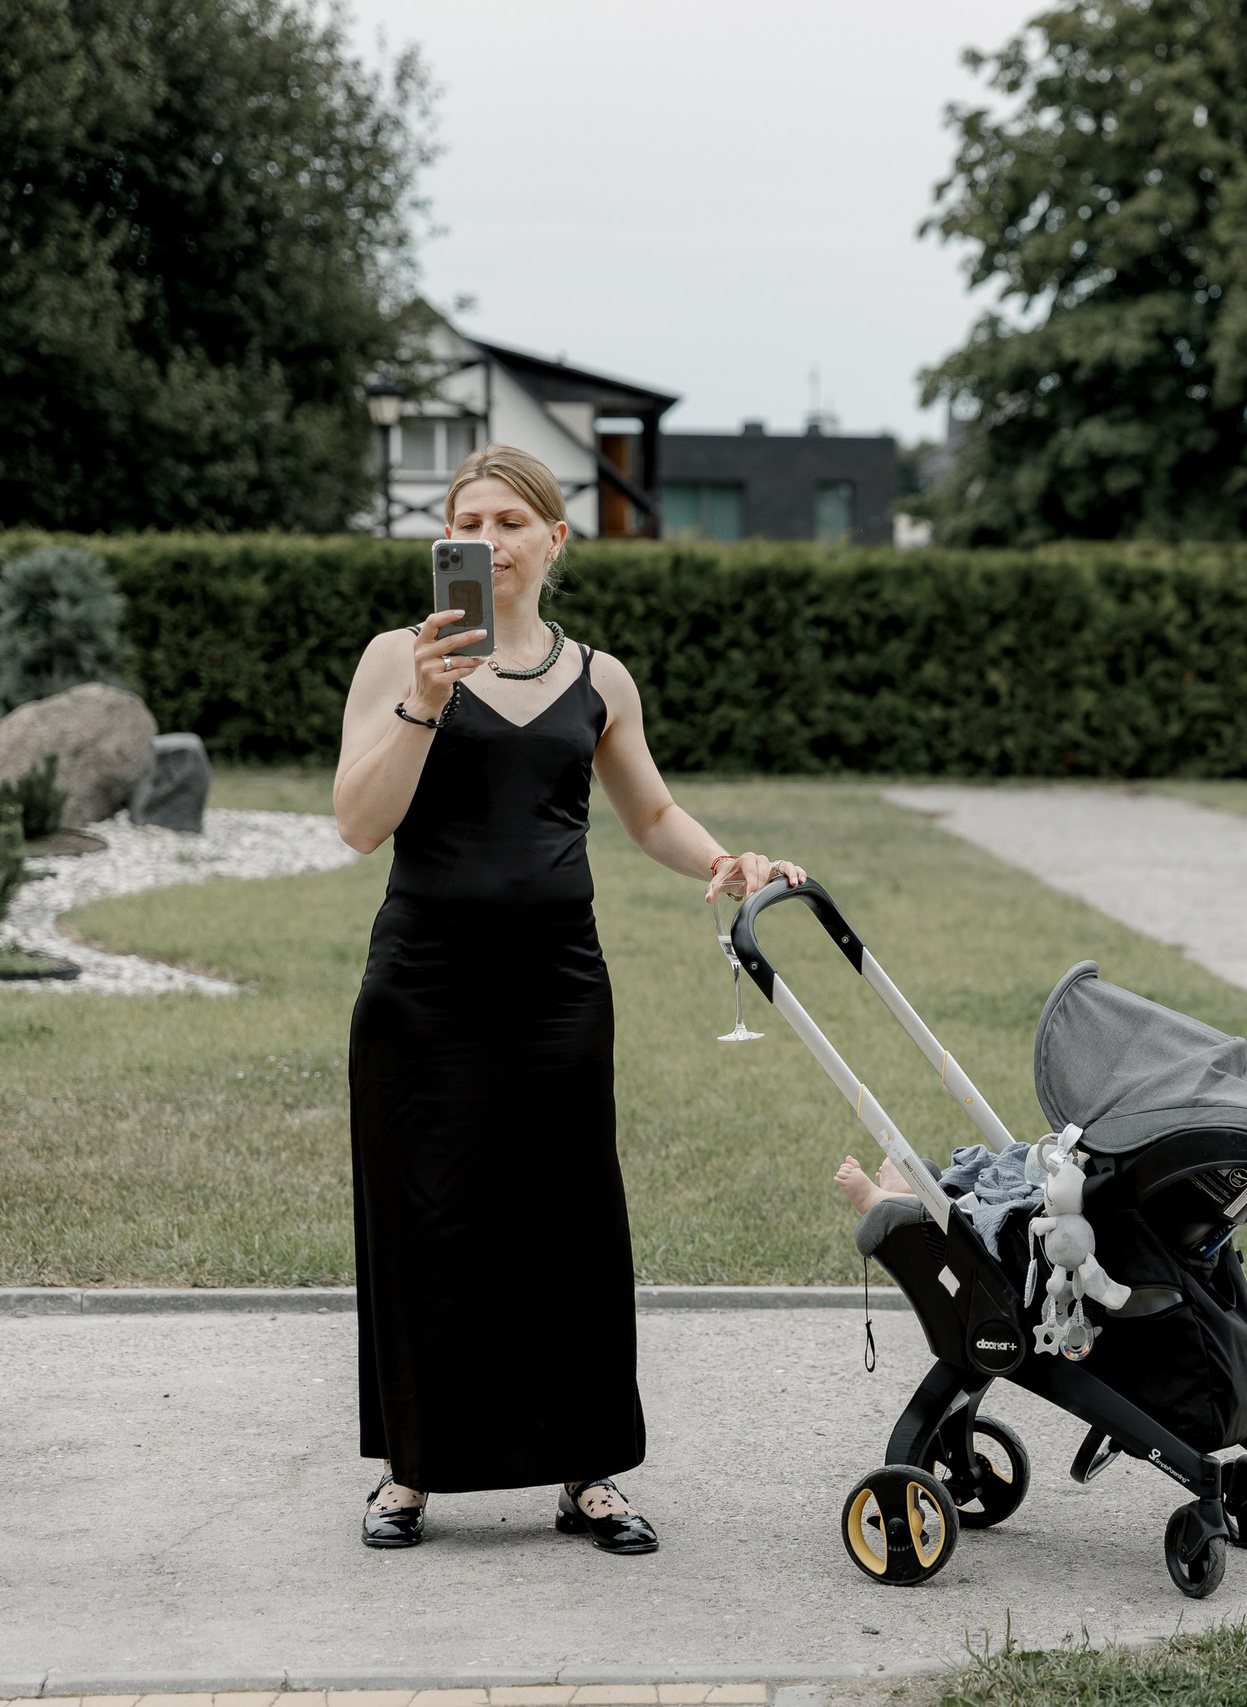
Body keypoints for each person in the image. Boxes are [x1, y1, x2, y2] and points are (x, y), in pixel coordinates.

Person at [333, 445, 805, 1553]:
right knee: (424, 1218)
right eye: (468, 522)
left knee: (567, 1223)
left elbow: (649, 817)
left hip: (556, 991)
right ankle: (411, 1471)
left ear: (554, 541)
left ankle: (587, 1474)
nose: (488, 540)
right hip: (423, 986)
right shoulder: (396, 660)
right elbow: (358, 823)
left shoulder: (600, 678)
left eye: (510, 521)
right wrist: (423, 702)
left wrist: (722, 863)